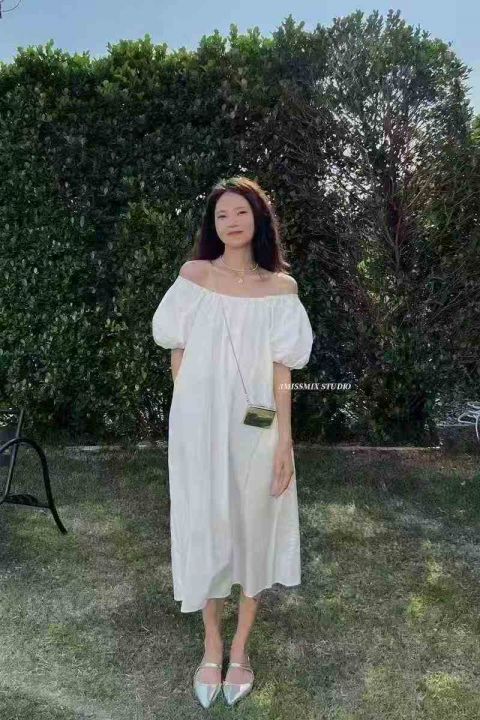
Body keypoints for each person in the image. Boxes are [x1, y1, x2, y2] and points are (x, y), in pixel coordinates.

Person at [152, 176, 314, 708]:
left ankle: (240, 647)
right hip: (199, 427)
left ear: (258, 218)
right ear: (213, 225)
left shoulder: (281, 288)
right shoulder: (194, 276)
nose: (231, 222)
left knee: (253, 525)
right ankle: (211, 645)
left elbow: (283, 369)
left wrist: (285, 441)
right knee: (205, 524)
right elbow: (176, 347)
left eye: (240, 212)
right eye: (221, 215)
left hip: (257, 427)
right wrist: (192, 413)